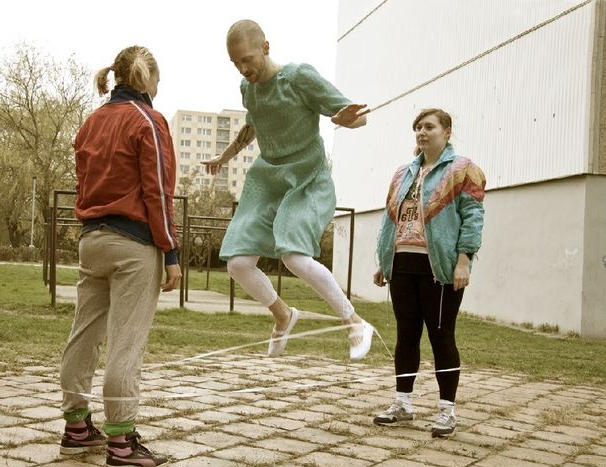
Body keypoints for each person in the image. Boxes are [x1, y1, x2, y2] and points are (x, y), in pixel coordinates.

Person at [202, 19, 374, 360]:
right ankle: (283, 314)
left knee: (294, 256)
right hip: (268, 180)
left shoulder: (298, 77)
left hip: (306, 177)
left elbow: (359, 115)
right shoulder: (247, 88)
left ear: (266, 47)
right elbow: (253, 124)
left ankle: (354, 322)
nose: (243, 68)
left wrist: (345, 119)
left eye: (247, 59)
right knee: (237, 262)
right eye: (236, 63)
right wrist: (224, 156)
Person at [59, 45, 181, 467]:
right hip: (133, 245)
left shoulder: (91, 123)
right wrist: (171, 252)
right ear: (147, 79)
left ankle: (76, 428)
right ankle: (122, 445)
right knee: (126, 345)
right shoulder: (148, 120)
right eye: (159, 82)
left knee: (84, 333)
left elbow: (84, 182)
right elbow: (158, 191)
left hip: (91, 239)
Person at [372, 108, 485, 437]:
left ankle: (447, 411)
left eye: (429, 127)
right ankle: (403, 404)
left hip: (439, 267)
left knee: (441, 336)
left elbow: (473, 216)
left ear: (447, 131)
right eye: (418, 127)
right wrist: (384, 261)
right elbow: (389, 218)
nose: (422, 132)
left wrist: (464, 260)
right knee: (406, 334)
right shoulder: (402, 174)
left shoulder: (463, 170)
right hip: (403, 263)